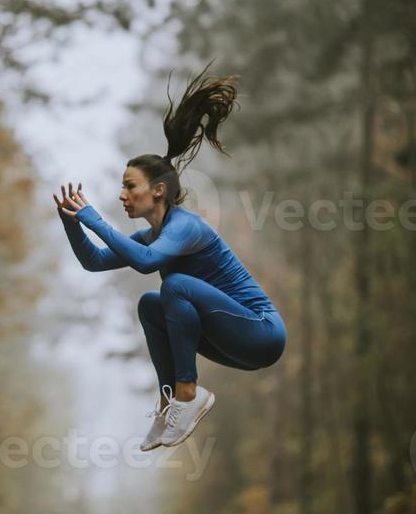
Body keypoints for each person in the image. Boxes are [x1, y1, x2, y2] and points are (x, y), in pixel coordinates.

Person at [53, 64, 287, 452]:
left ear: (158, 191)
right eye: (121, 188)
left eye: (130, 186)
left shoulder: (186, 227)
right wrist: (73, 223)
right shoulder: (155, 235)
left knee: (174, 285)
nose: (122, 195)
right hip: (233, 345)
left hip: (261, 334)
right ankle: (168, 405)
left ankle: (188, 393)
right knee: (150, 303)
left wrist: (94, 217)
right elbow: (94, 261)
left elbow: (146, 261)